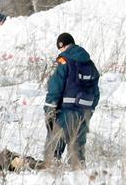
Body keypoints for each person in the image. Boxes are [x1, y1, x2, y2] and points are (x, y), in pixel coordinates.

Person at [43, 33, 100, 167]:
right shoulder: (89, 63)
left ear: (62, 46)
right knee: (77, 151)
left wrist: (49, 108)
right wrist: (90, 110)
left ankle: (53, 171)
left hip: (65, 111)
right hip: (84, 111)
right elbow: (96, 91)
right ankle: (79, 173)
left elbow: (55, 87)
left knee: (53, 147)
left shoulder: (64, 61)